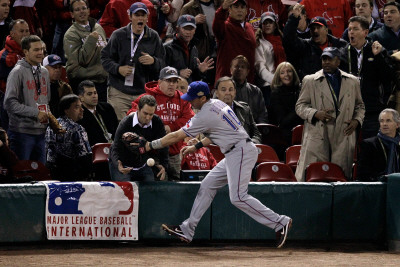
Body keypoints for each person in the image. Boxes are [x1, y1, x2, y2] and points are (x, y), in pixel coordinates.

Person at [140, 81, 292, 247]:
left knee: (238, 197)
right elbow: (216, 132)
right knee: (207, 185)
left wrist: (150, 145)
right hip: (236, 151)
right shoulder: (216, 103)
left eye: (192, 98)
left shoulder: (205, 114)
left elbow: (176, 136)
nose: (189, 101)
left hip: (240, 152)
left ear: (203, 97)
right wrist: (196, 146)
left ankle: (279, 222)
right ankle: (187, 229)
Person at [295, 47, 365, 181]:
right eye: (324, 59)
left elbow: (360, 106)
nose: (326, 62)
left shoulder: (353, 81)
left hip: (343, 136)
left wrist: (356, 121)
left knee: (340, 179)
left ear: (338, 61)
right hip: (318, 136)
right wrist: (315, 113)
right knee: (314, 177)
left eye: (330, 59)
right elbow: (300, 106)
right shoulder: (310, 80)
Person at [127, 66, 195, 180]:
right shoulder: (147, 97)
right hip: (153, 152)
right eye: (168, 80)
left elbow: (190, 118)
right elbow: (132, 114)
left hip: (174, 152)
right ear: (159, 82)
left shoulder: (182, 99)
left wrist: (170, 126)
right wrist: (156, 127)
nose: (172, 84)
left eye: (174, 81)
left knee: (176, 184)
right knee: (156, 183)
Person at [101, 2, 165, 121]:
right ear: (130, 17)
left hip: (142, 93)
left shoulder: (154, 37)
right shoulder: (118, 35)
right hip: (119, 91)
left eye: (143, 15)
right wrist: (118, 69)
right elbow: (105, 58)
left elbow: (162, 63)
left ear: (147, 17)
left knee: (141, 128)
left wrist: (154, 61)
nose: (140, 18)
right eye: (137, 15)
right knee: (119, 128)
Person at [340, 16, 394, 139]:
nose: (351, 32)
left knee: (369, 145)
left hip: (371, 109)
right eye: (349, 29)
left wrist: (379, 56)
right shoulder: (343, 53)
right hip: (349, 108)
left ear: (365, 32)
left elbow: (388, 77)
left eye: (355, 29)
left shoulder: (376, 50)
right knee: (348, 148)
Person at [4, 35, 51, 164]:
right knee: (23, 175)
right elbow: (9, 103)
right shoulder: (17, 72)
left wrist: (49, 118)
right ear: (25, 52)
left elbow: (46, 101)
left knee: (41, 175)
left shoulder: (45, 72)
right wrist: (36, 113)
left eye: (42, 49)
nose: (40, 53)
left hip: (41, 133)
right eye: (36, 50)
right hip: (22, 133)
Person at [109, 95, 169, 181]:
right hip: (123, 161)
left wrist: (163, 165)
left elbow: (163, 145)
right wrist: (117, 163)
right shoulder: (126, 123)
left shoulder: (157, 122)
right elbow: (115, 146)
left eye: (151, 114)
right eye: (145, 113)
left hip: (143, 163)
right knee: (125, 190)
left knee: (151, 187)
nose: (148, 118)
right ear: (138, 109)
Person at [283, 4, 347, 80]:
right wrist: (294, 18)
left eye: (318, 27)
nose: (315, 30)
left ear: (326, 30)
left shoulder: (340, 45)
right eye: (312, 28)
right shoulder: (305, 46)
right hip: (313, 87)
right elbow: (288, 38)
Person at [63, 0, 108, 101]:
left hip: (103, 81)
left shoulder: (98, 27)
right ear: (72, 14)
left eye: (84, 8)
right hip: (85, 84)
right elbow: (81, 61)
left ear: (89, 10)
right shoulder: (71, 35)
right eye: (77, 10)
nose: (81, 11)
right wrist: (91, 40)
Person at [45, 94, 92, 181]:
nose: (82, 110)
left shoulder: (51, 126)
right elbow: (84, 155)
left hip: (54, 174)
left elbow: (49, 153)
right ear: (66, 110)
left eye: (81, 106)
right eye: (77, 107)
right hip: (75, 175)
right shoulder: (77, 128)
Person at [213, 0, 257, 84]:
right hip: (226, 83)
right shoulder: (225, 26)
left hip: (247, 82)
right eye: (236, 7)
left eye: (242, 7)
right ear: (229, 10)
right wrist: (222, 9)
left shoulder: (249, 27)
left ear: (246, 10)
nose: (239, 10)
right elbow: (217, 25)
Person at [164, 14, 214, 84]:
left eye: (191, 29)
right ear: (177, 29)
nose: (188, 32)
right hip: (172, 90)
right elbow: (159, 71)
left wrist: (199, 70)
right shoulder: (167, 47)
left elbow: (193, 77)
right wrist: (178, 73)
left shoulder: (194, 48)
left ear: (195, 30)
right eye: (185, 28)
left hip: (187, 90)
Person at [0, 19, 30, 130]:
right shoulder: (4, 56)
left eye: (27, 31)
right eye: (21, 31)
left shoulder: (32, 53)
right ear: (12, 34)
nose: (25, 34)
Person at [214, 76, 261, 144]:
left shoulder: (245, 108)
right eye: (223, 90)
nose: (228, 93)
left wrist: (252, 143)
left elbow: (256, 134)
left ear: (235, 92)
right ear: (216, 93)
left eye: (231, 89)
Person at [357, 108, 400, 181]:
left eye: (388, 120)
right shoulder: (369, 144)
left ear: (397, 124)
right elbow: (363, 174)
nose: (384, 124)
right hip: (377, 186)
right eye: (382, 121)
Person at [254, 11, 285, 106]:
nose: (267, 25)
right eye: (265, 23)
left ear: (275, 25)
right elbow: (260, 67)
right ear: (261, 26)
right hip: (267, 85)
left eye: (270, 22)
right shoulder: (259, 42)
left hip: (282, 83)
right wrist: (274, 80)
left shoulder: (280, 40)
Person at [269, 62, 303, 143]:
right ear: (279, 76)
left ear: (294, 73)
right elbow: (282, 121)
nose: (286, 74)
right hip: (285, 133)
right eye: (282, 73)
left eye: (289, 71)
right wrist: (299, 109)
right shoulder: (276, 94)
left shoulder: (301, 90)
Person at [77, 80, 119, 146]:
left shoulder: (107, 108)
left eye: (95, 93)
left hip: (113, 147)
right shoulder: (79, 115)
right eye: (89, 94)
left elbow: (117, 129)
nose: (94, 96)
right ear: (81, 97)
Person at [230, 55, 268, 124]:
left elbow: (262, 116)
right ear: (231, 70)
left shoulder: (256, 91)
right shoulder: (221, 89)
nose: (240, 69)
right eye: (236, 66)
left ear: (247, 71)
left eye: (243, 67)